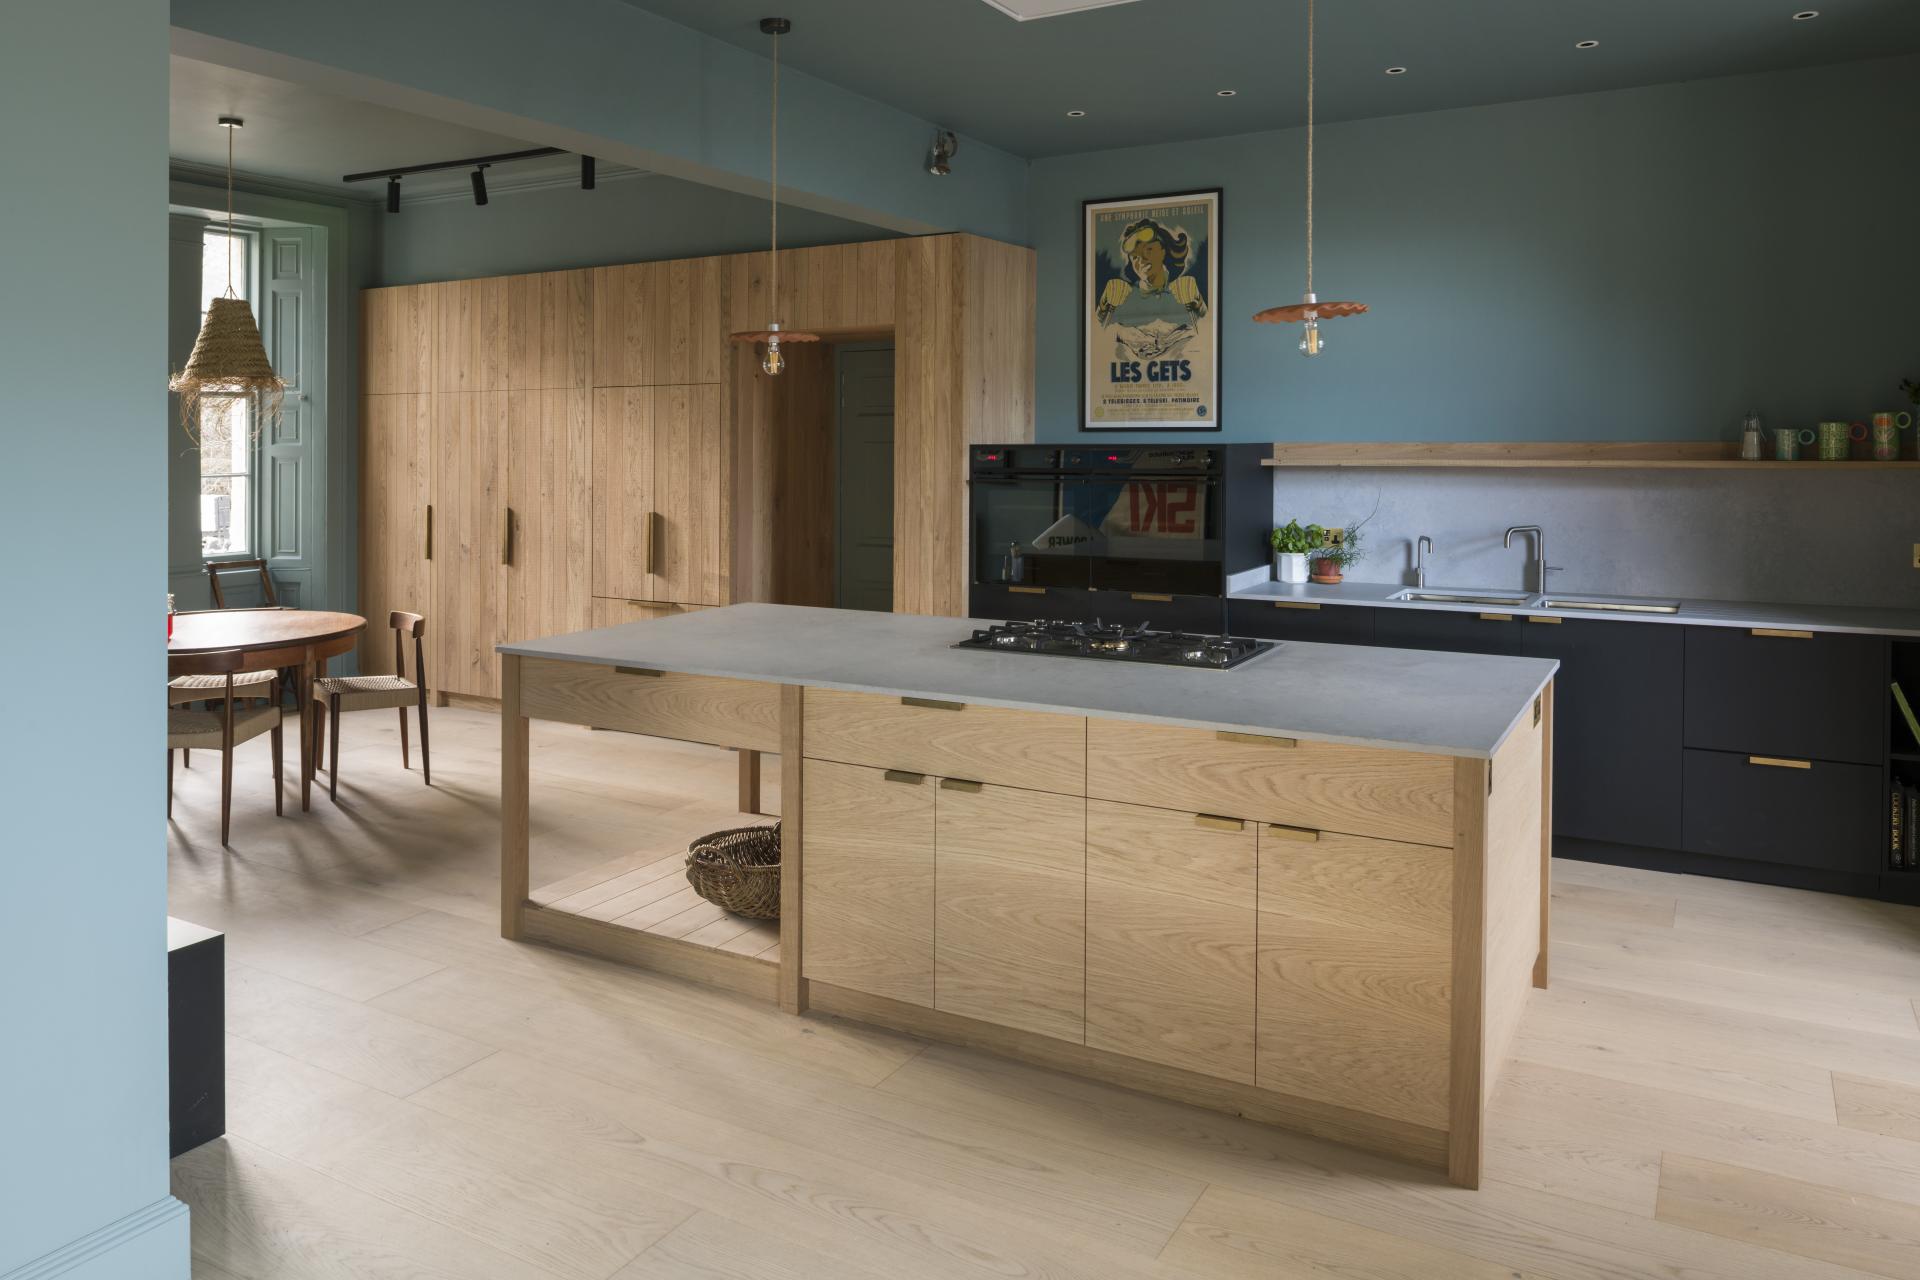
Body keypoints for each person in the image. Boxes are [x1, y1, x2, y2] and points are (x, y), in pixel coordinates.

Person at [1094, 216, 1207, 360]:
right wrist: (1104, 308)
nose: (1141, 259)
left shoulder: (1186, 290)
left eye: (1148, 250)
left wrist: (1198, 304)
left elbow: (1208, 343)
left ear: (1164, 250)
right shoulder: (1119, 295)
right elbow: (1095, 346)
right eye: (1134, 257)